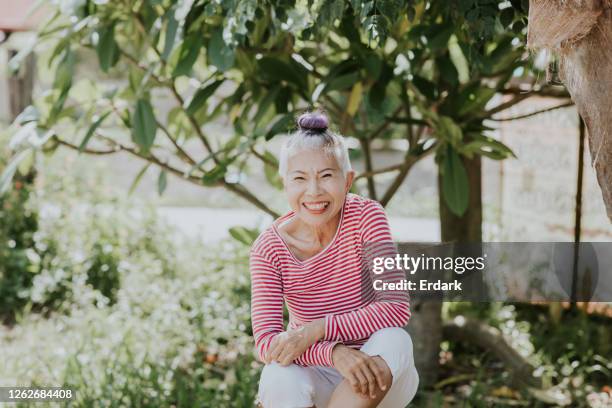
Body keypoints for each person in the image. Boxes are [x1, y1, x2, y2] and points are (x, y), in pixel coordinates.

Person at [250, 110, 419, 408]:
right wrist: (333, 352)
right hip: (314, 372)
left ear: (348, 180)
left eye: (326, 176)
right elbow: (267, 344)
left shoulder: (367, 217)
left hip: (378, 374)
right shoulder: (268, 248)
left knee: (396, 339)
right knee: (277, 375)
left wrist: (317, 329)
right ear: (285, 183)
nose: (314, 191)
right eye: (300, 178)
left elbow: (395, 308)